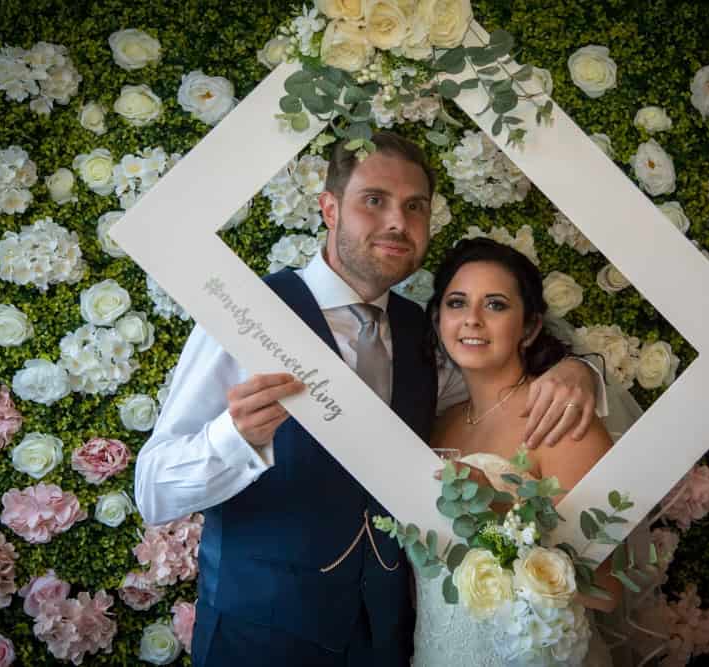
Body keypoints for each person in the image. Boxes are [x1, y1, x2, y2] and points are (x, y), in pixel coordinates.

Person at [134, 132, 607, 667]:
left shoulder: (426, 334)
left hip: (386, 640)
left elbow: (497, 384)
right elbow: (153, 491)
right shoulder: (245, 316)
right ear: (329, 208)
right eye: (374, 201)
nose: (397, 224)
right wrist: (233, 438)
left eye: (415, 207)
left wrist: (580, 368)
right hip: (259, 636)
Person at [413, 237, 630, 667]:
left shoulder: (559, 421)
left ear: (529, 328)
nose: (472, 320)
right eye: (458, 303)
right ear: (438, 318)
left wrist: (494, 514)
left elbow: (606, 589)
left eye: (495, 305)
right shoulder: (439, 423)